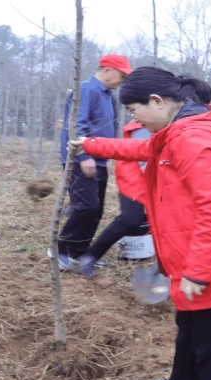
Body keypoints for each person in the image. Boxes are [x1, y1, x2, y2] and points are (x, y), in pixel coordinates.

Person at [71, 67, 211, 380]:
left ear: (156, 102)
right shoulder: (178, 132)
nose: (134, 119)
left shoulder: (191, 139)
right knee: (191, 326)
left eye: (133, 111)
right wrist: (91, 145)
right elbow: (140, 151)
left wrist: (198, 271)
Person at [57, 54, 133, 270]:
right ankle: (61, 250)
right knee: (85, 206)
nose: (123, 80)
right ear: (108, 69)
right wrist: (84, 156)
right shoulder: (85, 90)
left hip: (99, 159)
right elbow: (77, 125)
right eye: (122, 74)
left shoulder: (108, 95)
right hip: (81, 159)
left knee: (96, 209)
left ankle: (80, 253)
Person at [76, 120, 151, 278]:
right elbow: (145, 161)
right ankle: (90, 256)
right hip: (134, 179)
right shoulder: (142, 127)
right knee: (130, 219)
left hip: (150, 181)